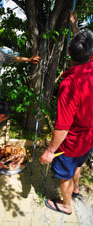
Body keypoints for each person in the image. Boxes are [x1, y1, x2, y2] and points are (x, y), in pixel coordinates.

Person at [40, 12, 93, 215]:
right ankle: (77, 189)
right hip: (89, 138)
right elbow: (85, 47)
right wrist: (74, 26)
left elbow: (62, 126)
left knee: (64, 174)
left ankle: (67, 205)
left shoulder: (69, 83)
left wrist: (50, 151)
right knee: (78, 163)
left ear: (68, 51)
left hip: (72, 142)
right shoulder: (91, 65)